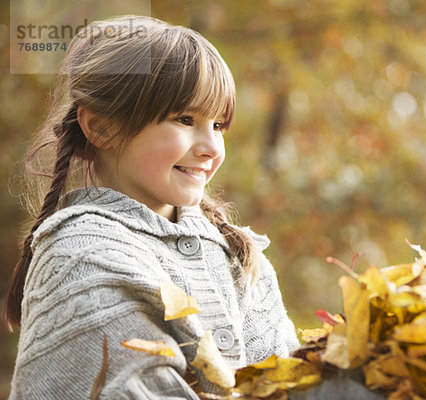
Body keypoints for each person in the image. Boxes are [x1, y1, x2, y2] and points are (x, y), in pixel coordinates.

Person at [5, 15, 299, 399]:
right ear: (100, 127)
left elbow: (295, 379)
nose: (211, 147)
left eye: (219, 125)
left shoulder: (235, 252)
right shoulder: (83, 255)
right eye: (186, 119)